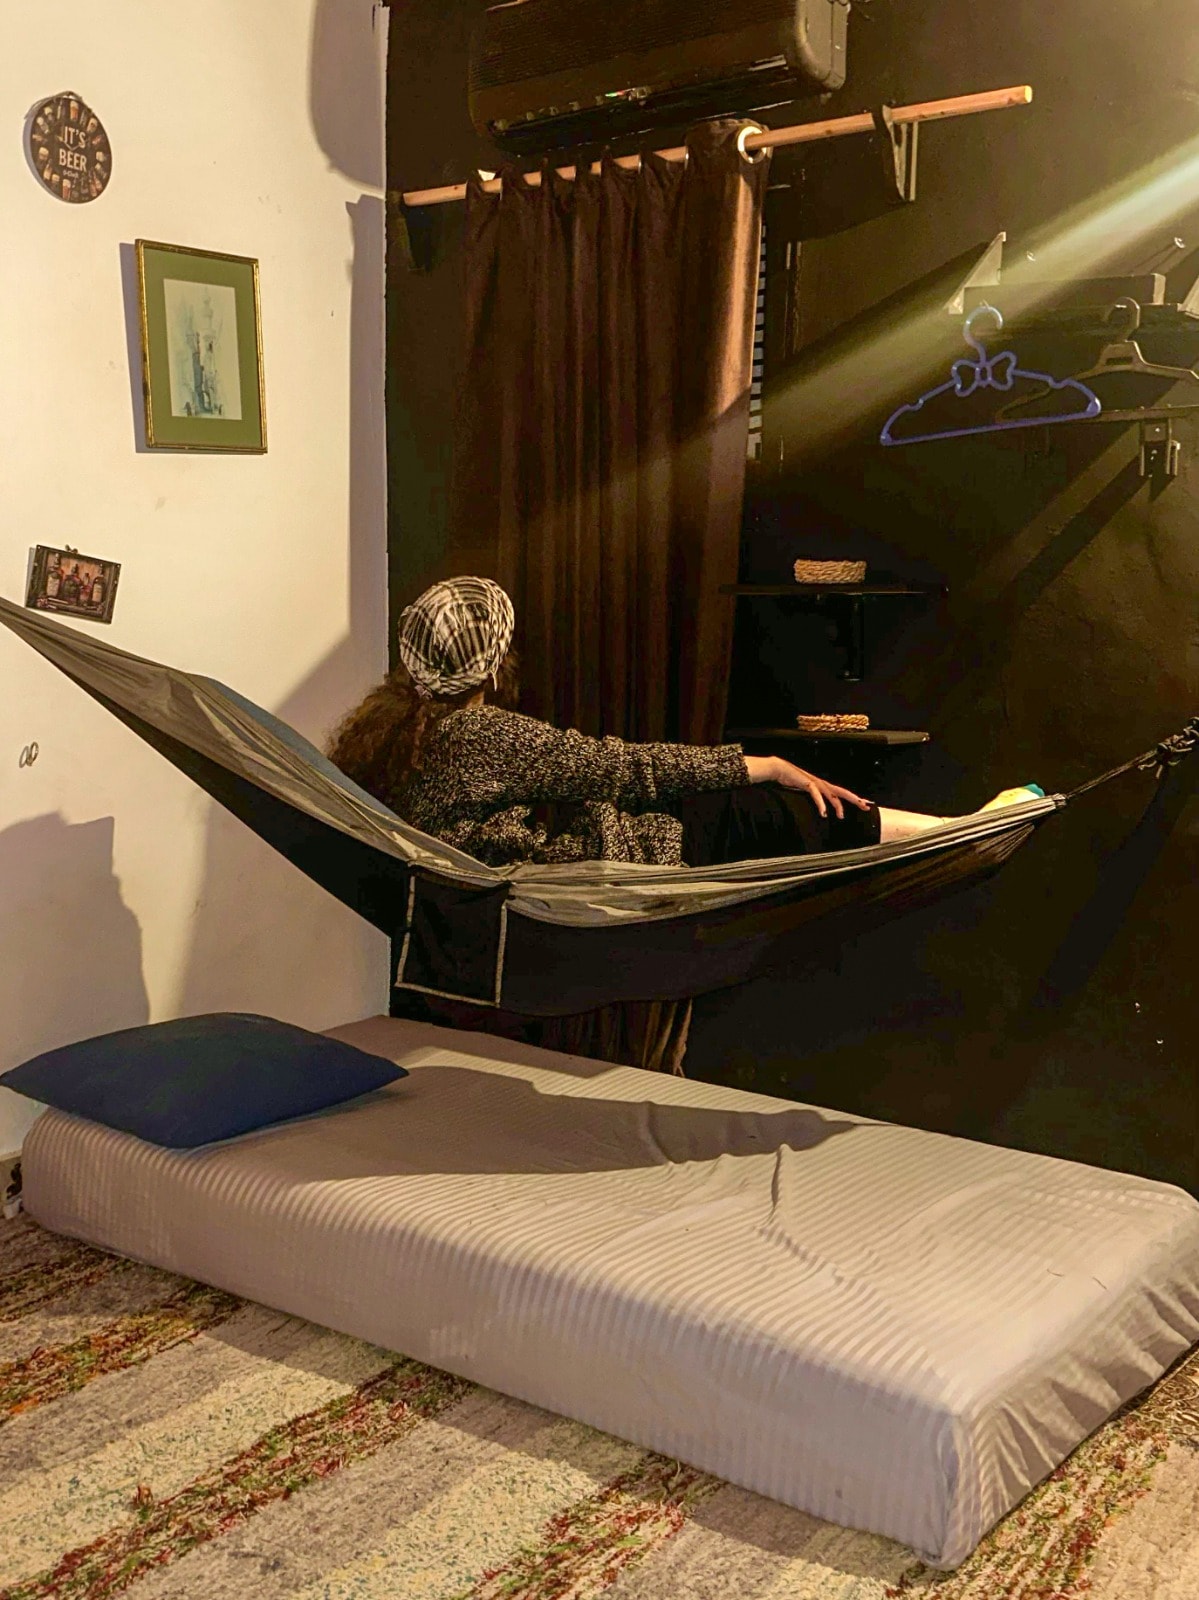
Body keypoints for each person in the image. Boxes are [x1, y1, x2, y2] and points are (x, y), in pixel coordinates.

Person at [328, 576, 1040, 870]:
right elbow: (624, 767)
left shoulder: (397, 739)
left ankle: (951, 831)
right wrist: (763, 763)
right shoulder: (479, 736)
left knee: (756, 812)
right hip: (603, 868)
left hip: (566, 867)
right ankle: (958, 832)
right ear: (493, 663)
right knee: (773, 810)